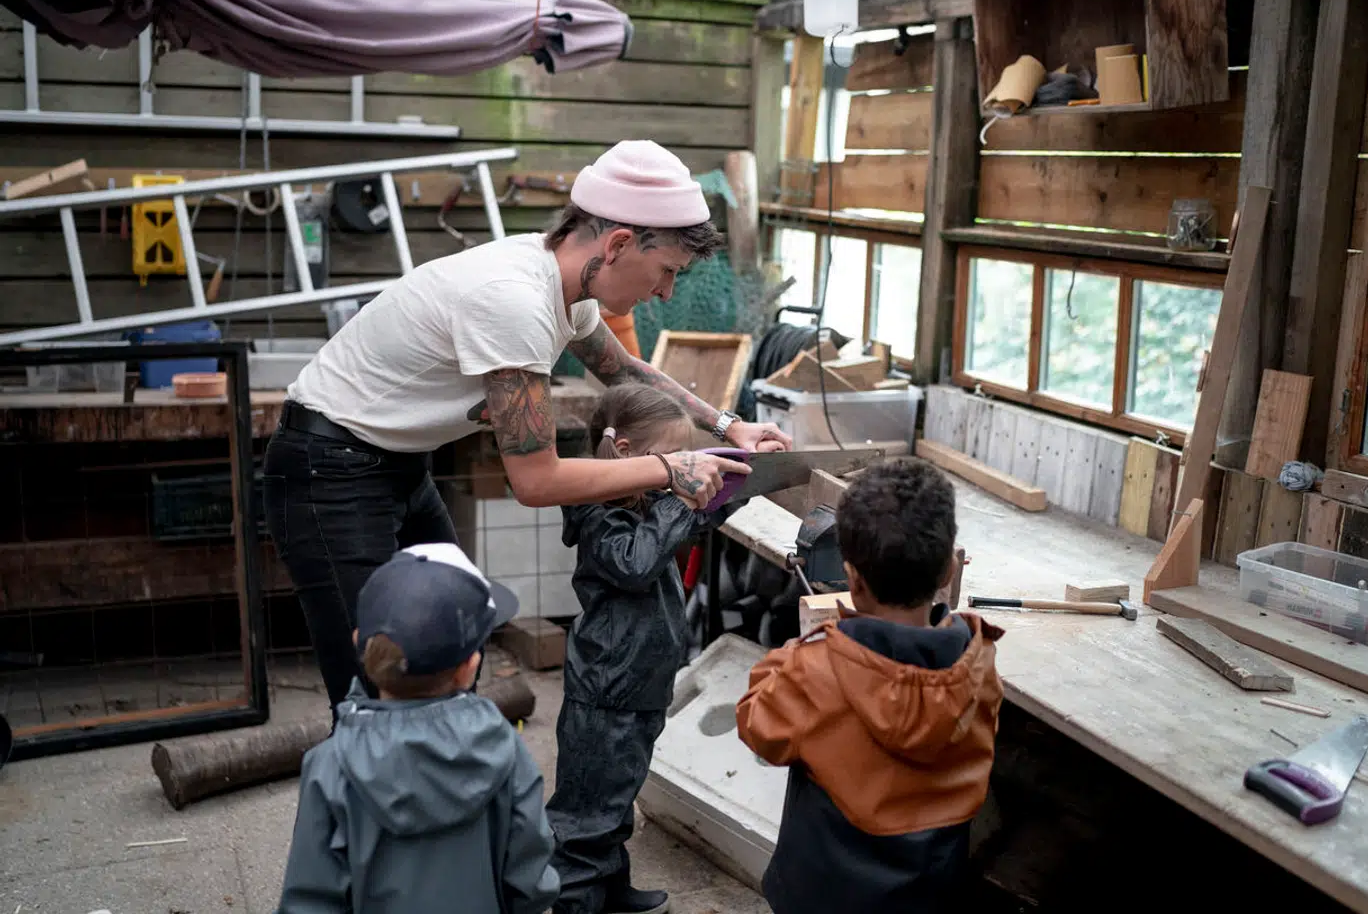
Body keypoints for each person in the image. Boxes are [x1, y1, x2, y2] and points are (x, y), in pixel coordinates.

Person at [262, 139, 791, 711]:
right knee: (375, 682)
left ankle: (432, 780)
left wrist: (727, 426)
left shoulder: (568, 288)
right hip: (329, 470)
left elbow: (624, 371)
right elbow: (535, 483)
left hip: (393, 463)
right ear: (616, 245)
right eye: (666, 272)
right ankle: (371, 786)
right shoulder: (514, 301)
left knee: (458, 631)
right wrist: (668, 468)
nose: (664, 292)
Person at [735, 458, 1006, 914]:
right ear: (948, 574)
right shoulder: (980, 663)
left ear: (853, 580)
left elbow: (756, 725)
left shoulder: (814, 668)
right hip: (928, 893)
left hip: (822, 895)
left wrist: (801, 647)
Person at [274, 541, 558, 914]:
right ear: (470, 667)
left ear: (359, 643)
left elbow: (310, 900)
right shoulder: (506, 749)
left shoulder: (330, 766)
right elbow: (531, 882)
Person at [546, 384, 743, 914]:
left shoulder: (644, 502)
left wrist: (745, 476)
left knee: (615, 797)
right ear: (630, 455)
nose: (677, 471)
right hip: (607, 687)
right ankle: (575, 901)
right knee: (586, 813)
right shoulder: (599, 515)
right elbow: (635, 563)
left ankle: (609, 889)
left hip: (639, 682)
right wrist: (678, 499)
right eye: (672, 460)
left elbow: (691, 523)